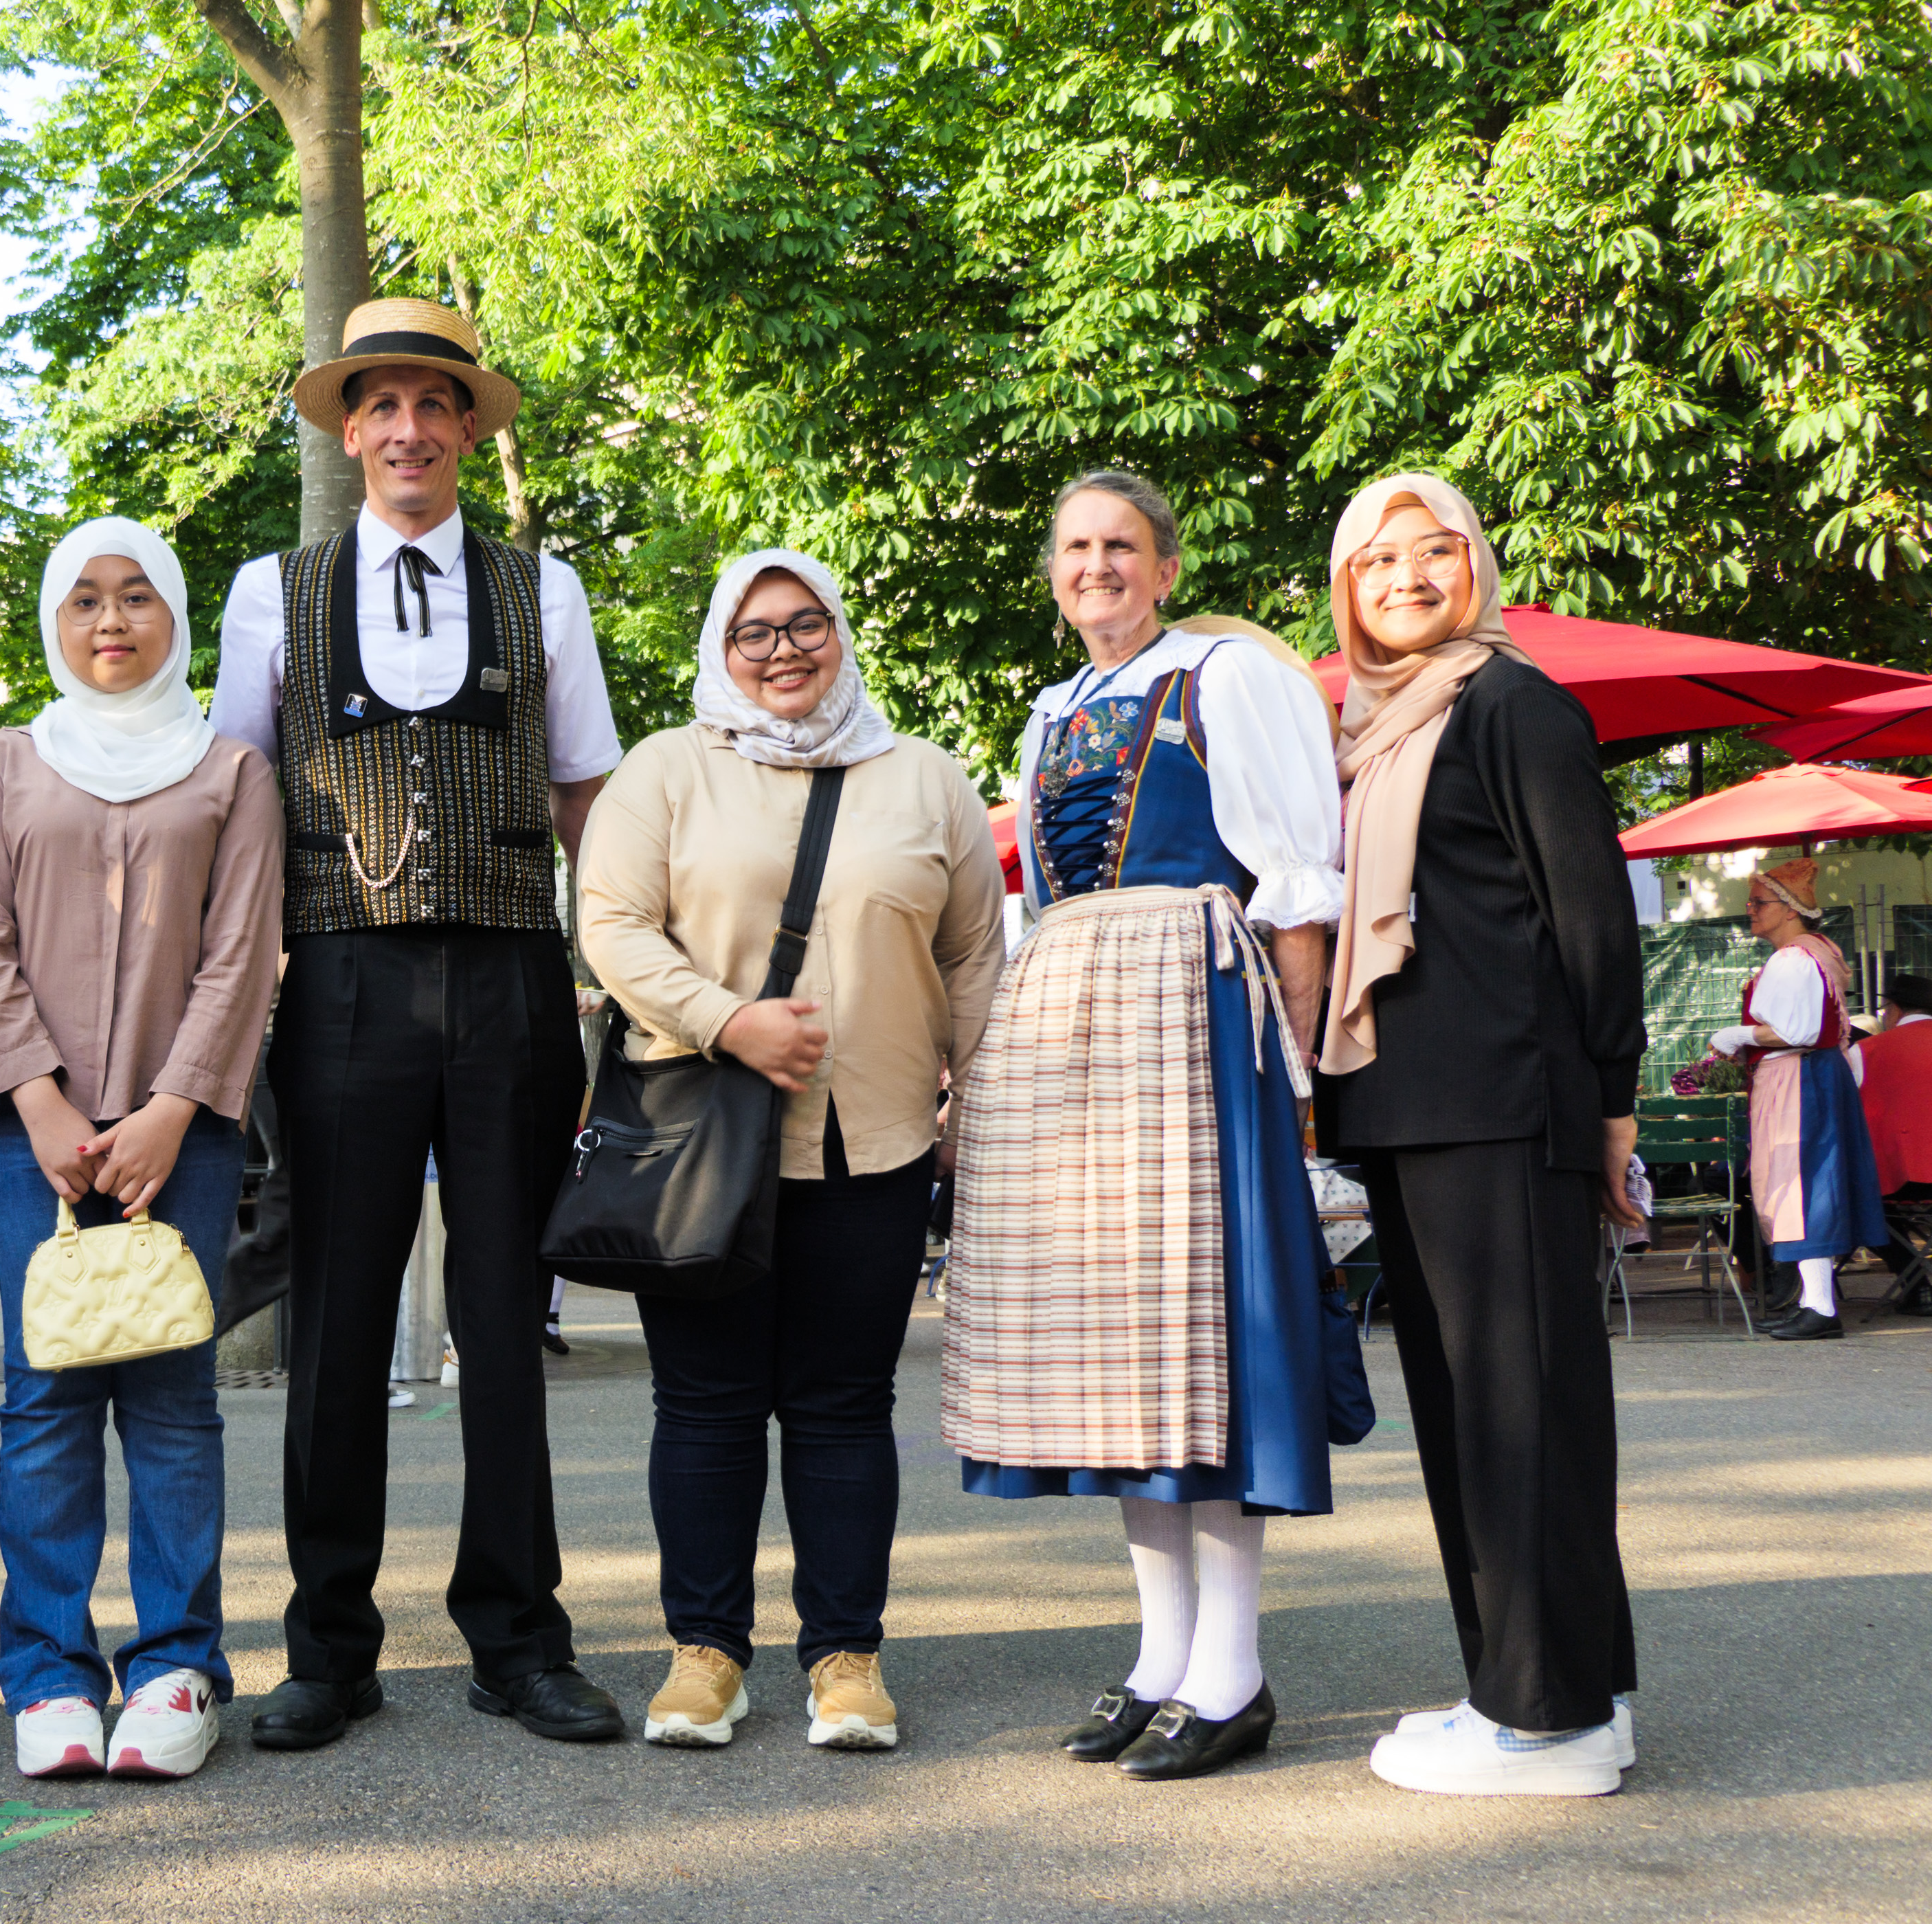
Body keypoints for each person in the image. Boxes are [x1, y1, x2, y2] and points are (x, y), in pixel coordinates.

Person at [207, 298, 628, 1748]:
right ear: (347, 427)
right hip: (336, 976)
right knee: (331, 1318)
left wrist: (628, 965)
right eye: (380, 405)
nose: (407, 430)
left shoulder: (542, 589)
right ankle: (329, 1643)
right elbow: (239, 804)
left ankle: (519, 1632)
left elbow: (589, 795)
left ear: (466, 428)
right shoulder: (272, 589)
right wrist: (236, 989)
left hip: (513, 968)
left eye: (433, 405)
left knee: (507, 1317)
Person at [942, 469, 1342, 1782]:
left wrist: (1298, 1063)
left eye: (1120, 545)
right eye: (1074, 548)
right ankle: (1162, 1657)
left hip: (1192, 1010)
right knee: (1119, 1360)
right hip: (1073, 1032)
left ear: (1165, 567)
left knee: (1200, 1344)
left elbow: (1296, 886)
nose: (1096, 566)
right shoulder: (1052, 711)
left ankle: (1233, 1671)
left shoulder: (1228, 678)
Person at [579, 549, 1002, 1749]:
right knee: (706, 1406)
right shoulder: (667, 770)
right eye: (754, 632)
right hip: (702, 1142)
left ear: (841, 633)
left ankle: (847, 1657)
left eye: (804, 625)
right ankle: (706, 1652)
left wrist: (971, 1085)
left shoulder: (921, 777)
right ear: (721, 647)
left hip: (870, 1144)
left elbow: (974, 949)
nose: (781, 650)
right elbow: (608, 922)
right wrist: (728, 1020)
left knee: (844, 1407)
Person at [1306, 473, 1645, 1799]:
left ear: (1476, 563)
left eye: (1432, 549)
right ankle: (1555, 1690)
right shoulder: (1370, 729)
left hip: (1506, 1104)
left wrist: (1610, 1099)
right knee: (1471, 1413)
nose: (1405, 575)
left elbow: (1592, 922)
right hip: (1412, 1108)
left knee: (1524, 1408)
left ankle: (1544, 1716)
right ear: (1347, 587)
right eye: (1376, 559)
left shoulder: (1513, 705)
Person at [0, 516, 284, 1781]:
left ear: (174, 618)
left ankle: (178, 1667)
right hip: (30, 1136)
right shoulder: (1, 763)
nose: (110, 620)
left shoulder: (231, 771)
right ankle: (46, 1673)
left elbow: (240, 953)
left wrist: (168, 1111)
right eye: (85, 597)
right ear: (52, 618)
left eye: (137, 596)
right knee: (46, 1398)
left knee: (169, 1397)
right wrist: (41, 1105)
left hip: (178, 1138)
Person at [1706, 860, 1886, 1342]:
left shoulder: (1794, 959)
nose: (1750, 911)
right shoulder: (1817, 951)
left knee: (1802, 1186)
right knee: (1807, 1184)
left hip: (1799, 1077)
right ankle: (1812, 1300)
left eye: (1759, 903)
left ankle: (1821, 1308)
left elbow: (1796, 1031)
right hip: (1814, 1075)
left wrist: (1734, 1034)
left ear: (1789, 910)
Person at [1851, 972, 1932, 1315]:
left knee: (1857, 1202)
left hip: (1899, 1179)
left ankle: (1918, 1287)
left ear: (1893, 1010)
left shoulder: (1865, 1050)